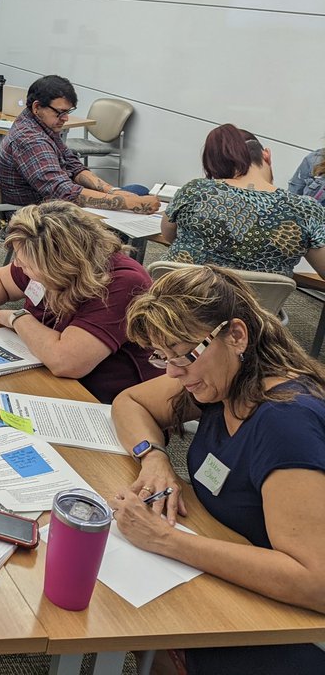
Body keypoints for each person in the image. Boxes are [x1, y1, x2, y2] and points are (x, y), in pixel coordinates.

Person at [111, 264, 325, 674]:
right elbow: (130, 403)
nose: (173, 372)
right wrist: (154, 457)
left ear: (237, 336)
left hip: (289, 626)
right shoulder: (223, 382)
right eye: (163, 357)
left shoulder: (285, 423)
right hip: (232, 569)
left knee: (130, 620)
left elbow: (315, 582)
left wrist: (166, 540)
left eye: (183, 354)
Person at [0, 200, 156, 403]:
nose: (19, 267)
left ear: (62, 265)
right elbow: (2, 280)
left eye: (26, 265)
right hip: (43, 374)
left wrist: (15, 317)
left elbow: (66, 361)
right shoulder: (41, 260)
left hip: (100, 400)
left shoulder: (123, 282)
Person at [163, 124, 325, 279]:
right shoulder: (305, 209)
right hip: (254, 306)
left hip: (178, 301)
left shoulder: (195, 190)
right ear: (267, 155)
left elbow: (169, 235)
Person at [0, 75, 159, 214]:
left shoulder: (42, 124)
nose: (65, 118)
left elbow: (73, 165)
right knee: (132, 206)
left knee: (137, 192)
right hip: (38, 217)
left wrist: (112, 191)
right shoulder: (30, 139)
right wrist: (130, 203)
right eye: (60, 112)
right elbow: (63, 192)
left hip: (55, 205)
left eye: (68, 112)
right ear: (37, 107)